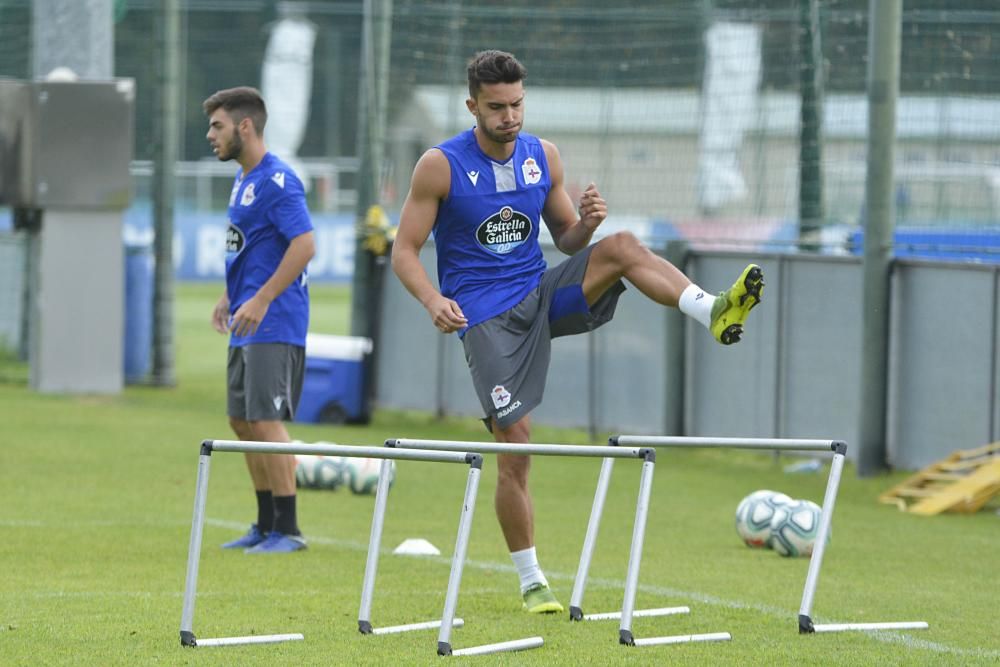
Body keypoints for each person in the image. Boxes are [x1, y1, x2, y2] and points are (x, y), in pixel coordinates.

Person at [391, 50, 764, 612]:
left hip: (543, 296)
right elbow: (404, 251)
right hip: (486, 321)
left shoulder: (544, 156)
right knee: (515, 448)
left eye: (517, 103)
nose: (510, 116)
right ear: (473, 106)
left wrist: (587, 224)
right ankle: (532, 579)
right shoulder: (439, 165)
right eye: (496, 107)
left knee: (621, 247)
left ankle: (710, 309)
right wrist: (432, 298)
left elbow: (565, 237)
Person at [203, 86, 315, 554]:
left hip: (274, 321)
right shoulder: (244, 178)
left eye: (217, 125)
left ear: (244, 126)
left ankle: (288, 529)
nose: (210, 135)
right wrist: (231, 295)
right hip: (245, 319)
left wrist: (263, 299)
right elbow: (252, 248)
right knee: (241, 420)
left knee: (266, 421)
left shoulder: (277, 181)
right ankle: (265, 523)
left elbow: (304, 244)